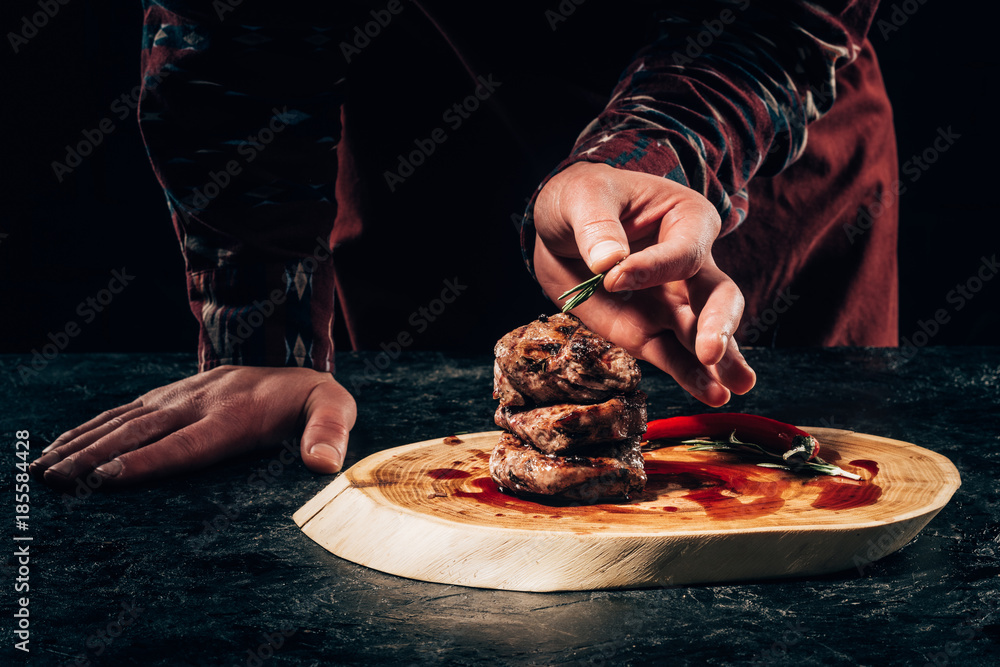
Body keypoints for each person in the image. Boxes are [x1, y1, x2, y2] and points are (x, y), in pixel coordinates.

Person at [31, 0, 896, 487]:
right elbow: (231, 26)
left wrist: (650, 156)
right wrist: (263, 337)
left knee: (800, 509)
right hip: (424, 125)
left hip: (746, 162)